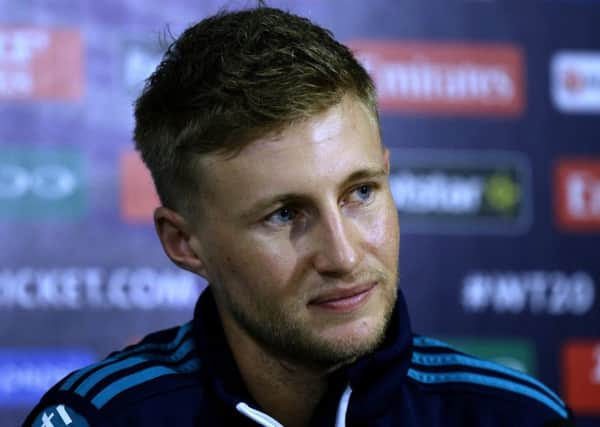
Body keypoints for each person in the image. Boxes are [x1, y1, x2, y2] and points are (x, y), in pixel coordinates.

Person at [24, 5, 574, 427]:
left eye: (360, 193)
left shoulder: (514, 415)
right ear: (184, 243)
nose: (343, 255)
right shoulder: (102, 418)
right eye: (285, 214)